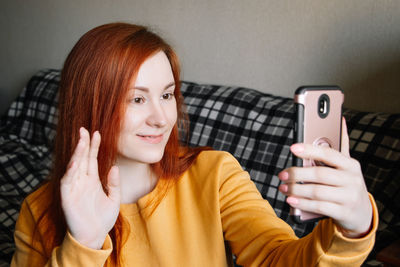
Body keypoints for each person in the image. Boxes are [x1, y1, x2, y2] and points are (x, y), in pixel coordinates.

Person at [11, 22, 378, 267]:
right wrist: (84, 244)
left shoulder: (215, 173)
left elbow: (277, 258)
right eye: (137, 99)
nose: (161, 117)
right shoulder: (38, 211)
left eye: (167, 95)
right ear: (90, 105)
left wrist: (353, 229)